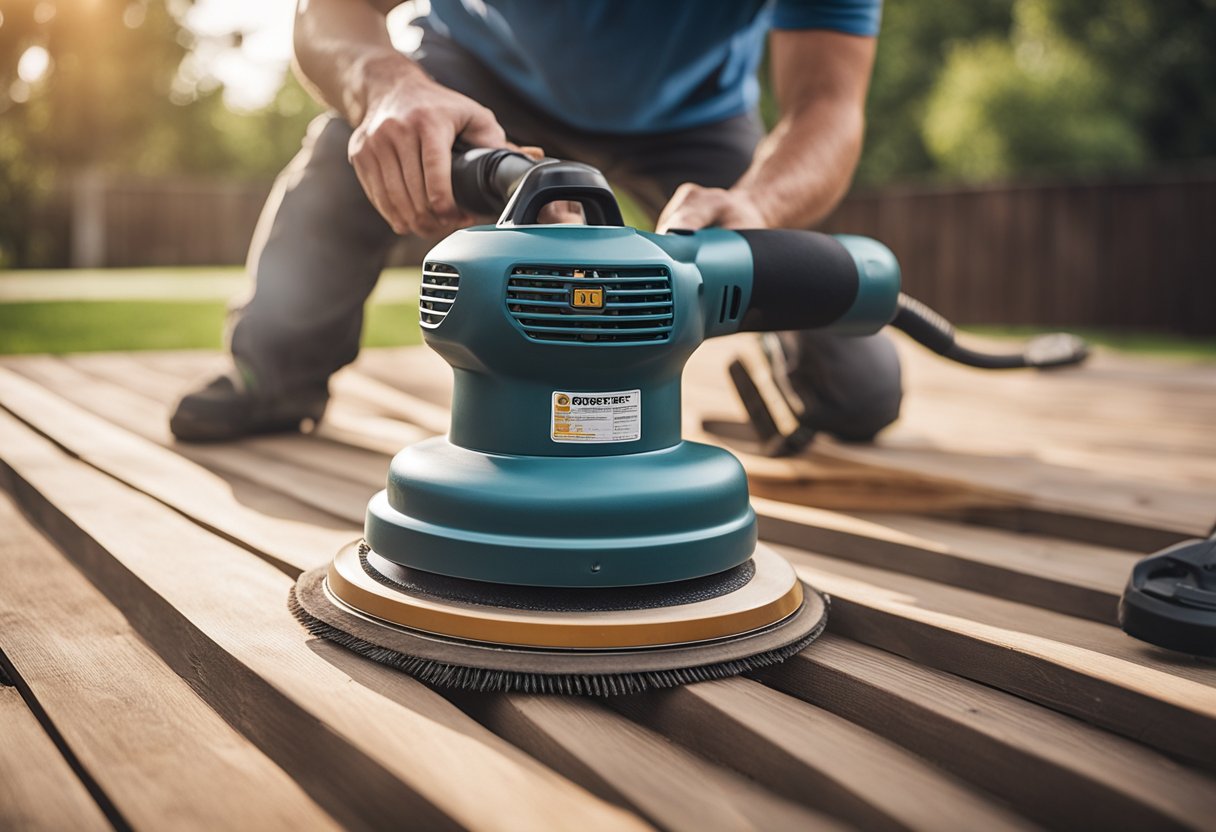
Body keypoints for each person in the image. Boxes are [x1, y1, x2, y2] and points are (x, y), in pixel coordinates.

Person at [169, 0, 902, 444]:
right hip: (482, 74)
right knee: (349, 160)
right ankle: (273, 376)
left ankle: (788, 349)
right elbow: (327, 14)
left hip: (698, 118)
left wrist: (759, 210)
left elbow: (830, 106)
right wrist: (384, 87)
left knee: (862, 395)